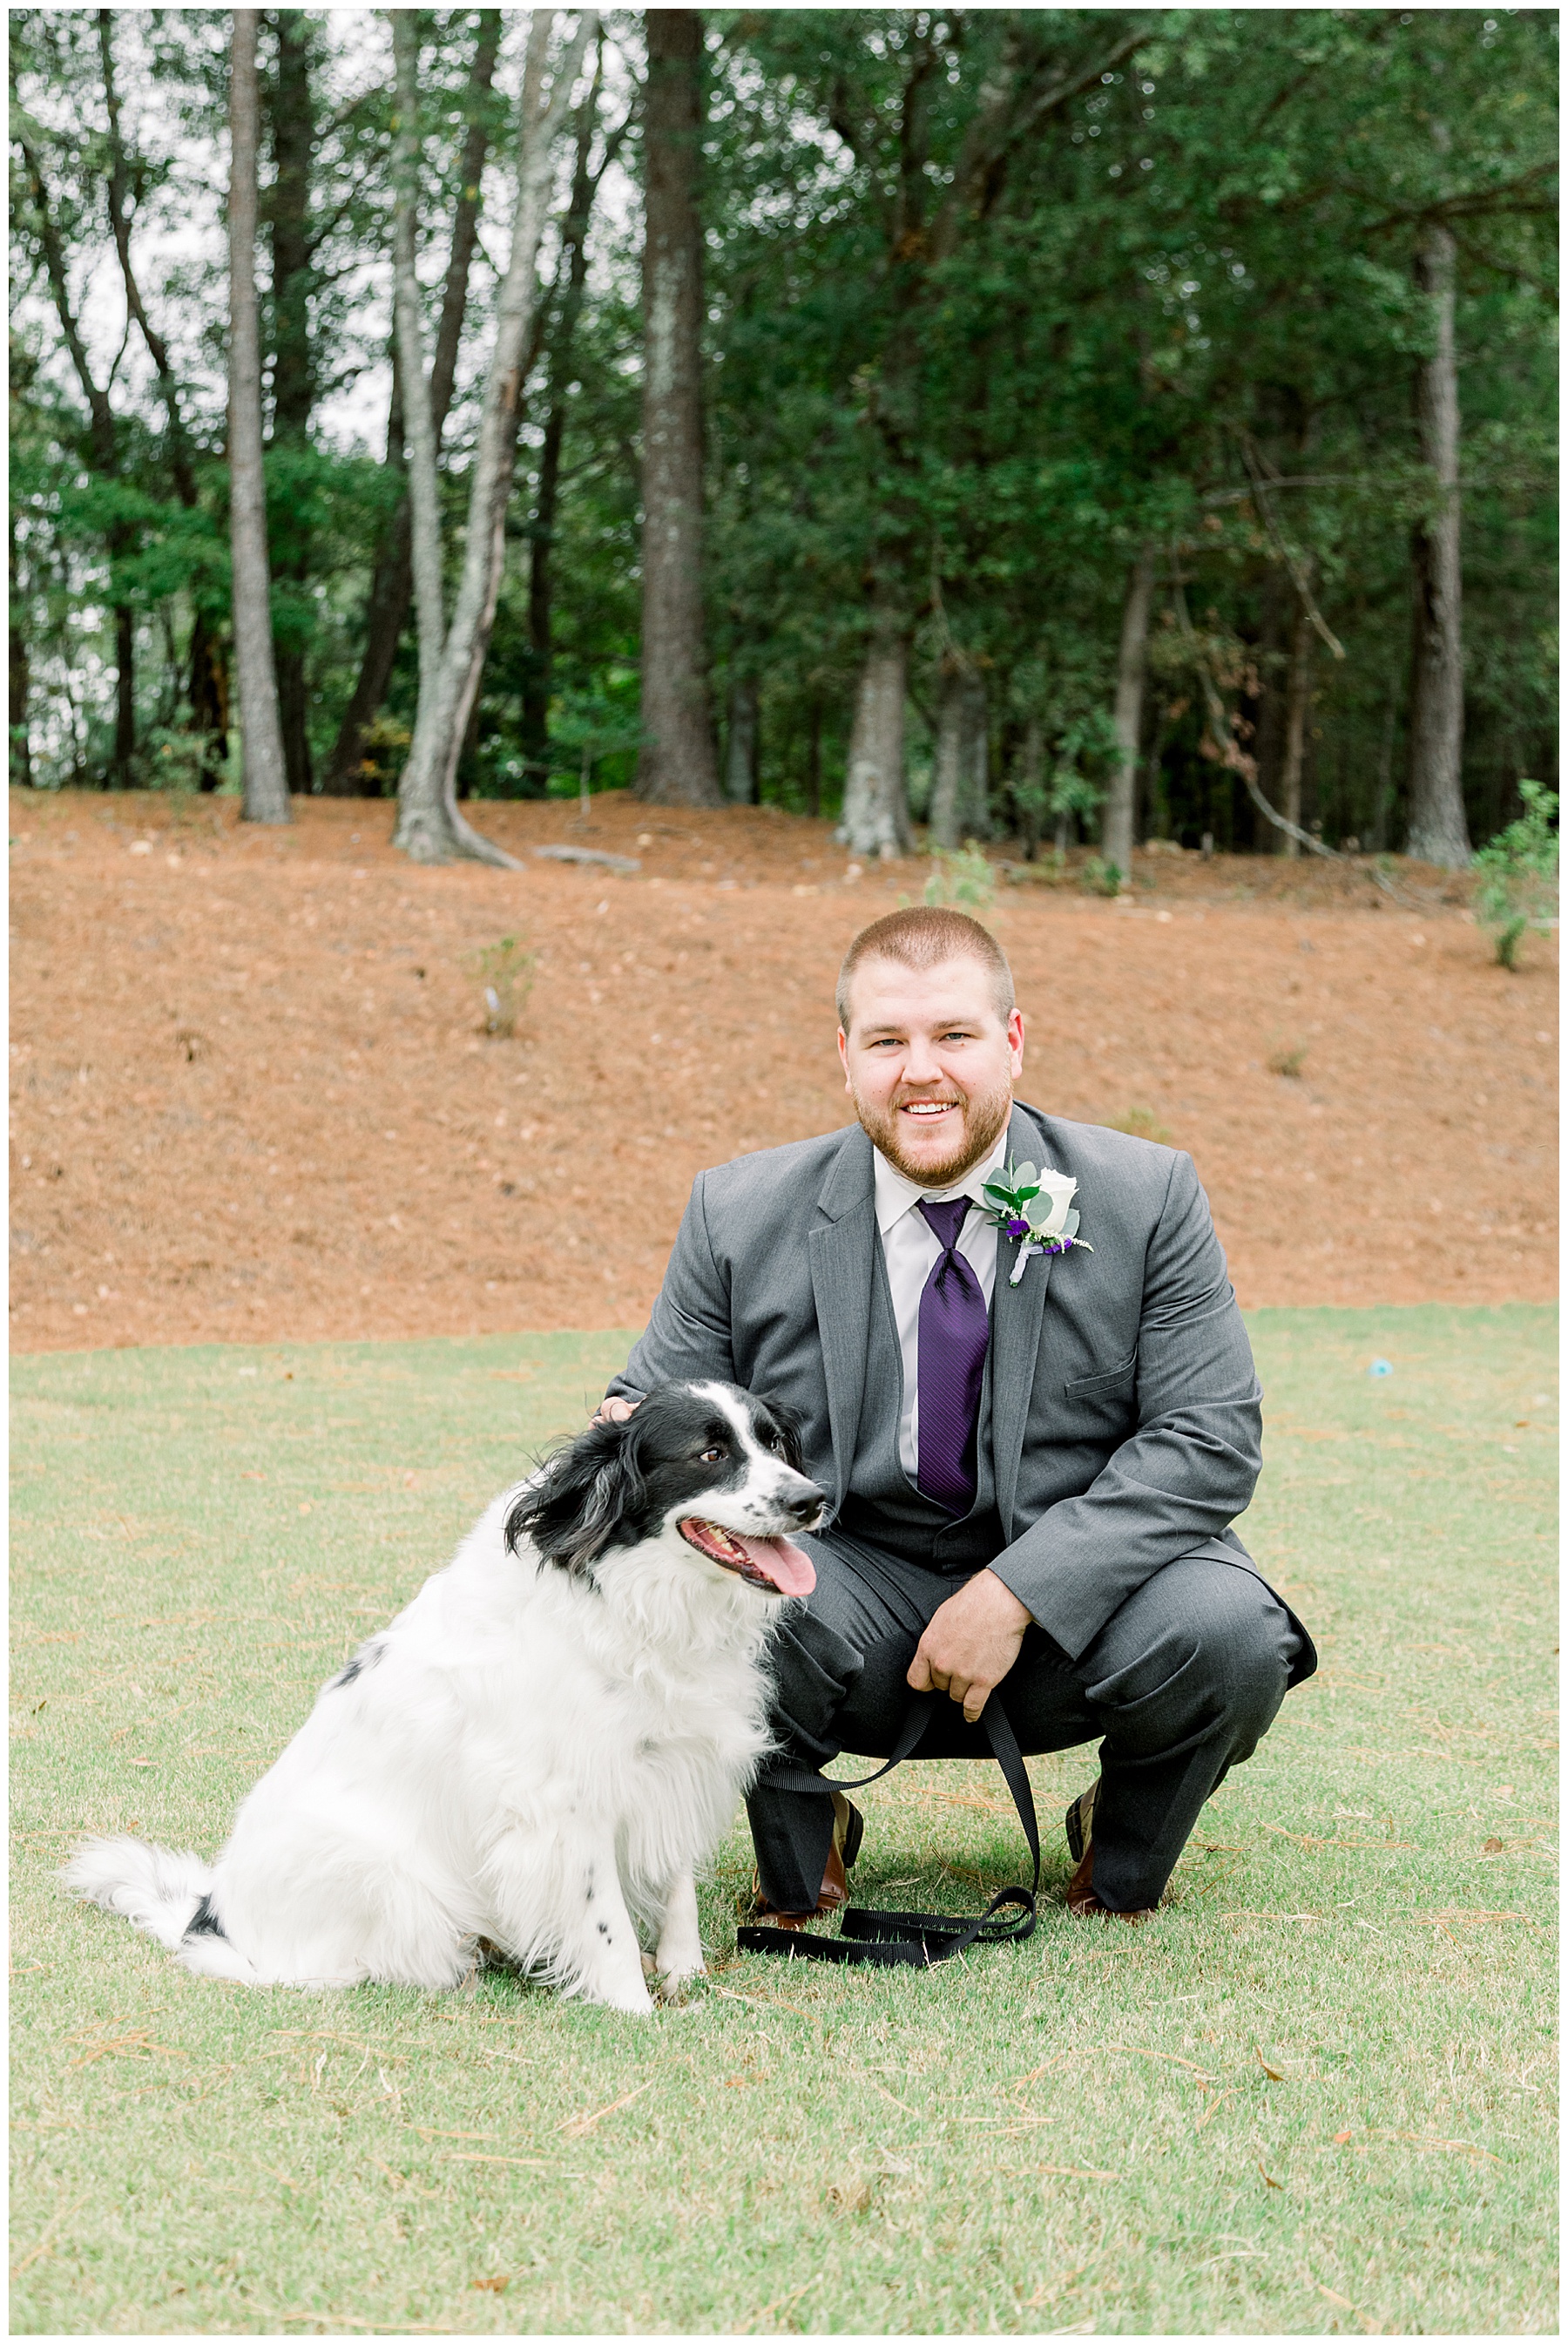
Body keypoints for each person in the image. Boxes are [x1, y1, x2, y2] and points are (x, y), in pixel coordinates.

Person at [598, 906, 1315, 1925]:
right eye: (887, 1040)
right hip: (835, 1585)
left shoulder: (1146, 1195)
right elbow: (656, 1420)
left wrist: (1019, 1589)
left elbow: (1210, 1439)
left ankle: (1119, 1841)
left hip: (1075, 1610)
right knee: (705, 1581)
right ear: (845, 1056)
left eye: (954, 1036)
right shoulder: (737, 1211)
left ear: (1013, 1042)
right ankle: (804, 1841)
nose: (919, 1070)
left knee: (1230, 1632)